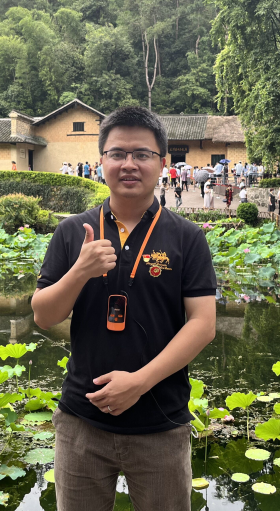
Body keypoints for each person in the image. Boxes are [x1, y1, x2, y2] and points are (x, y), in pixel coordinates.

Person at [31, 106, 216, 511]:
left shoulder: (187, 238)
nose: (129, 164)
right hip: (81, 421)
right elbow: (44, 315)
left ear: (162, 163)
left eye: (142, 154)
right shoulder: (73, 231)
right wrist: (80, 271)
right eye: (117, 153)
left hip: (161, 423)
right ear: (102, 161)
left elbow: (203, 325)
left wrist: (139, 382)